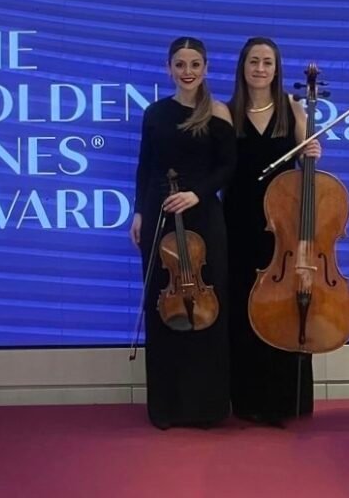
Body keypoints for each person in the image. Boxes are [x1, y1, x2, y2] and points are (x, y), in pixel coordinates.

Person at [129, 36, 236, 429]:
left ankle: (207, 406)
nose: (187, 71)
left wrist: (196, 194)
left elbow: (228, 168)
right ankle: (167, 407)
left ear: (205, 68)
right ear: (169, 68)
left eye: (195, 64)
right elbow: (146, 166)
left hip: (204, 216)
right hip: (160, 216)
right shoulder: (155, 113)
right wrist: (139, 211)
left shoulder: (218, 112)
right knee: (165, 311)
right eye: (180, 64)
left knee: (209, 313)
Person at [222, 37, 323, 426]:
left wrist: (313, 150)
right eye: (253, 61)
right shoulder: (226, 111)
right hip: (238, 219)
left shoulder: (292, 108)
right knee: (244, 305)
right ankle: (245, 399)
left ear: (276, 68)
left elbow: (308, 153)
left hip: (282, 223)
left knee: (282, 305)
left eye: (267, 62)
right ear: (243, 67)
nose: (260, 68)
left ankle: (284, 400)